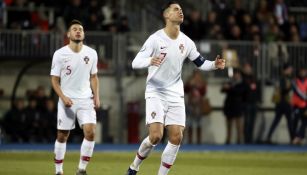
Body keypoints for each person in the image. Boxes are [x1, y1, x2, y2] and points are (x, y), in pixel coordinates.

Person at [125, 1, 225, 175]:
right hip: (155, 92)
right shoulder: (155, 39)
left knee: (176, 137)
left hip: (176, 94)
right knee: (156, 136)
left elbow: (201, 63)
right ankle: (134, 167)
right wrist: (150, 60)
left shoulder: (186, 42)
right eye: (175, 9)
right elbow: (135, 63)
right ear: (166, 15)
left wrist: (215, 65)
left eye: (181, 9)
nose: (180, 11)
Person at [50, 19, 100, 175]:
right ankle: (58, 170)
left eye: (80, 29)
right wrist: (63, 97)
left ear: (83, 34)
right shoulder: (60, 54)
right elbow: (54, 80)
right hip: (67, 101)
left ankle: (82, 169)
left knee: (91, 132)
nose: (78, 31)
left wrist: (96, 96)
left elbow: (94, 77)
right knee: (62, 135)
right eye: (74, 29)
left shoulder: (91, 53)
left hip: (86, 99)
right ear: (68, 34)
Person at [266, 63, 293, 144]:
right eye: (289, 69)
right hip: (283, 103)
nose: (291, 71)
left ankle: (269, 137)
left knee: (278, 121)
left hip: (281, 103)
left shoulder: (284, 78)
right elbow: (283, 90)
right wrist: (291, 87)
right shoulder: (283, 78)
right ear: (286, 70)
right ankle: (293, 138)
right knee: (289, 121)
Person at [184, 70, 208, 144]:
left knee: (199, 123)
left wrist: (199, 86)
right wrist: (190, 84)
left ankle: (199, 141)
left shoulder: (202, 83)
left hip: (199, 105)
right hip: (190, 105)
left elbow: (204, 93)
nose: (197, 77)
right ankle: (190, 141)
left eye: (198, 75)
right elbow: (185, 90)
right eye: (195, 75)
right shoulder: (190, 82)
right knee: (190, 123)